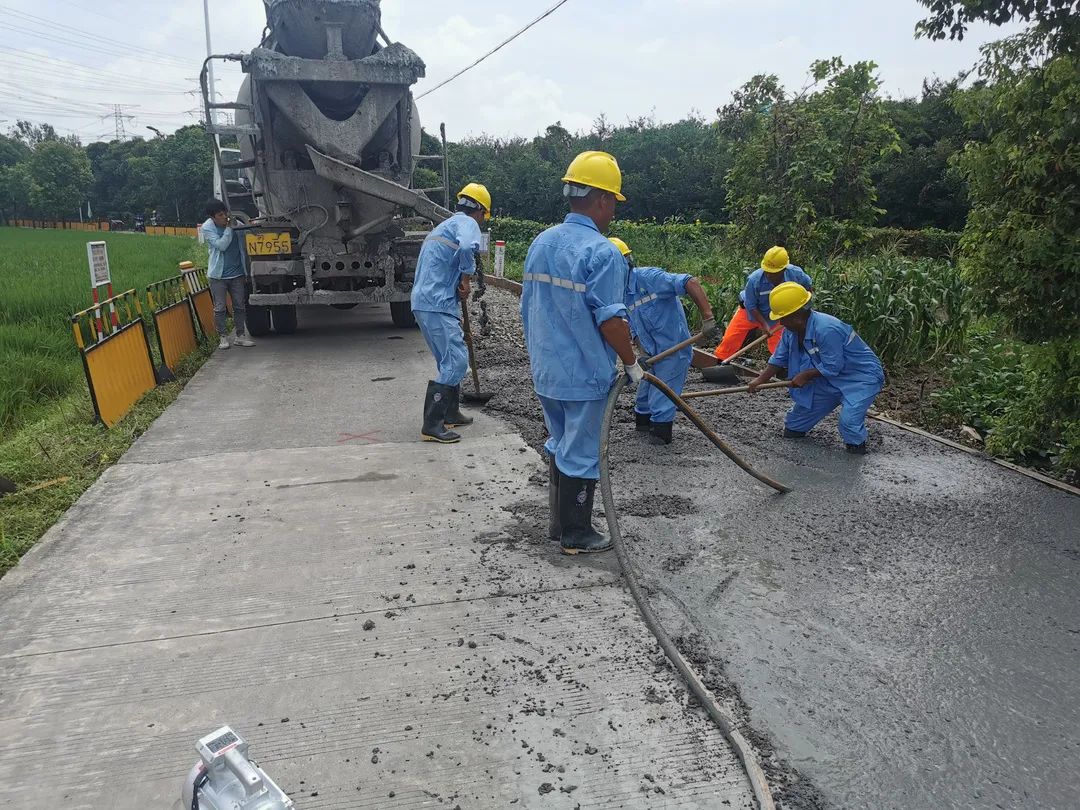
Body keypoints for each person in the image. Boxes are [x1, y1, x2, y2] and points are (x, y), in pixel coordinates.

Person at [521, 151, 642, 556]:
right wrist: (631, 362)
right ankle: (577, 534)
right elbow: (611, 321)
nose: (613, 213)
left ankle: (558, 525)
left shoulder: (541, 243)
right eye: (613, 204)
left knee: (560, 441)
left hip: (546, 371)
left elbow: (529, 306)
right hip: (584, 374)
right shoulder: (603, 252)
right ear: (603, 199)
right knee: (582, 451)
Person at [748, 282, 885, 454]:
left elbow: (834, 365)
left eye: (784, 317)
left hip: (860, 378)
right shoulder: (791, 331)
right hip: (827, 379)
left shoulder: (826, 329)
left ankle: (857, 452)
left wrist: (805, 375)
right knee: (794, 426)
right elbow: (779, 358)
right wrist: (760, 381)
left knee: (849, 423)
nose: (781, 322)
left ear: (797, 315)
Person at [609, 237, 719, 445]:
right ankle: (643, 428)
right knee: (643, 400)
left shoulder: (650, 278)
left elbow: (689, 282)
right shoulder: (618, 292)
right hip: (651, 354)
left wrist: (708, 319)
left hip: (673, 351)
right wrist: (639, 350)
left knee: (662, 401)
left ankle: (660, 441)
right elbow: (629, 323)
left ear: (622, 264)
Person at [411, 182, 491, 443]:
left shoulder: (444, 226)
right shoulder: (467, 224)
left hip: (425, 301)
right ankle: (432, 424)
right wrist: (466, 280)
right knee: (456, 361)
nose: (481, 220)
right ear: (478, 210)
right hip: (437, 303)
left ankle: (451, 411)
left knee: (447, 360)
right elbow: (468, 247)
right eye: (483, 215)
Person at [713, 246, 813, 361]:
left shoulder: (796, 274)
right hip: (751, 311)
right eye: (767, 271)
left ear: (783, 270)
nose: (769, 275)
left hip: (777, 315)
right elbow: (751, 305)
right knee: (731, 337)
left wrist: (802, 310)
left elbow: (808, 290)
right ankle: (720, 360)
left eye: (774, 273)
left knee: (779, 345)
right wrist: (765, 325)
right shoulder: (755, 280)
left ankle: (781, 366)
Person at [200, 199, 253, 349]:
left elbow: (248, 232)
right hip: (218, 275)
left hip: (237, 273)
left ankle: (240, 336)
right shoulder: (207, 228)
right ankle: (223, 337)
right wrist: (230, 229)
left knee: (239, 305)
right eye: (220, 215)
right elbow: (221, 246)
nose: (225, 217)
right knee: (220, 307)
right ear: (213, 217)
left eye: (225, 213)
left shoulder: (234, 223)